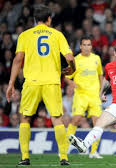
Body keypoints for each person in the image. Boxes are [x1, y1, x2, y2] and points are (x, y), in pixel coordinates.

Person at [6, 5, 75, 166]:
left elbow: (17, 60)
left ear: (35, 20)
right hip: (52, 82)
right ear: (49, 19)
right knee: (57, 118)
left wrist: (11, 83)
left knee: (25, 117)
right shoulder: (57, 35)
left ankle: (24, 157)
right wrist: (72, 69)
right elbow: (70, 57)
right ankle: (63, 158)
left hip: (32, 82)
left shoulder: (24, 35)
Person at [65, 35, 104, 159]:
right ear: (81, 46)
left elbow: (100, 76)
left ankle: (93, 152)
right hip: (81, 95)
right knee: (75, 120)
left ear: (91, 46)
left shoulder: (97, 58)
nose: (87, 47)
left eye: (89, 45)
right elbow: (66, 77)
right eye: (84, 45)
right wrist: (72, 83)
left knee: (97, 124)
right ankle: (64, 150)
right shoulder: (75, 60)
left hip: (94, 96)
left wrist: (101, 91)